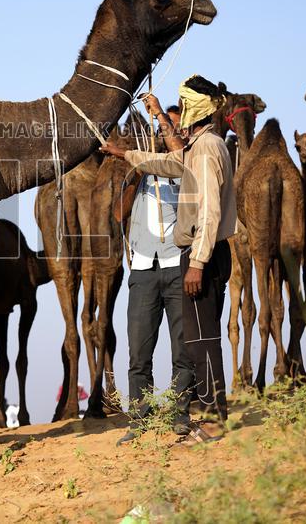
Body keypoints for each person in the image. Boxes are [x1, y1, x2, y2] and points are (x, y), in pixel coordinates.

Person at [101, 75, 237, 443]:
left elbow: (207, 210)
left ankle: (209, 421)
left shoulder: (206, 149)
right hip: (162, 260)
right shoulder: (197, 149)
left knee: (199, 343)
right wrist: (125, 155)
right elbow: (166, 162)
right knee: (185, 342)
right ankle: (168, 417)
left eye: (183, 102)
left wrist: (196, 262)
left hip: (195, 257)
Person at [115, 104, 196, 446]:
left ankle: (180, 414)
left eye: (172, 130)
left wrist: (161, 116)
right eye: (163, 131)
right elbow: (118, 214)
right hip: (145, 268)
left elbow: (177, 152)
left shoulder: (186, 168)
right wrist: (135, 168)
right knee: (138, 351)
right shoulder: (142, 172)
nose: (165, 136)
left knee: (182, 348)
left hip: (177, 265)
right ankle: (140, 419)